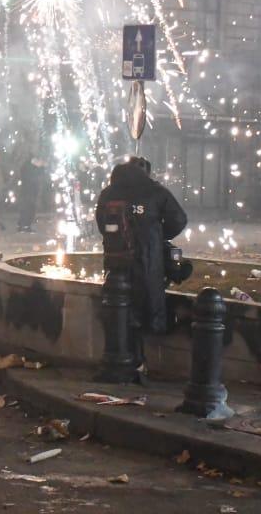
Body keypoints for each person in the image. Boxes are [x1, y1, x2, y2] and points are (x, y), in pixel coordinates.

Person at [95, 157, 188, 376]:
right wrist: (156, 235)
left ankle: (123, 357)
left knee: (119, 307)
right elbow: (179, 219)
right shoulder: (155, 191)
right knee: (145, 307)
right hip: (148, 260)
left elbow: (102, 225)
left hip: (115, 260)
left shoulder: (108, 193)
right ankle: (138, 362)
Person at [17, 154, 50, 232]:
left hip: (30, 191)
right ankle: (24, 225)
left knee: (29, 209)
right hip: (28, 191)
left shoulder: (28, 167)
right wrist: (41, 168)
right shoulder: (28, 168)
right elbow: (34, 178)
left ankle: (24, 225)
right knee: (28, 209)